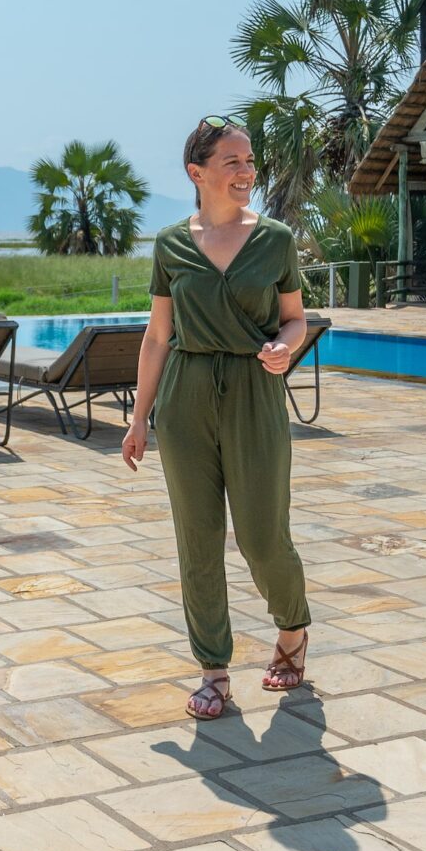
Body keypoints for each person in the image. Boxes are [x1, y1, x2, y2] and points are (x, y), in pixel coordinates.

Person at [122, 114, 311, 719]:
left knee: (261, 536)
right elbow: (157, 337)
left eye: (250, 162)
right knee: (197, 539)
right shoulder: (172, 245)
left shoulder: (276, 238)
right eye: (233, 162)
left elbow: (296, 317)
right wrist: (138, 416)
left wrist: (288, 346)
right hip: (187, 394)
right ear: (197, 172)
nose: (247, 172)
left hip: (256, 391)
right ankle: (213, 669)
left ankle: (291, 632)